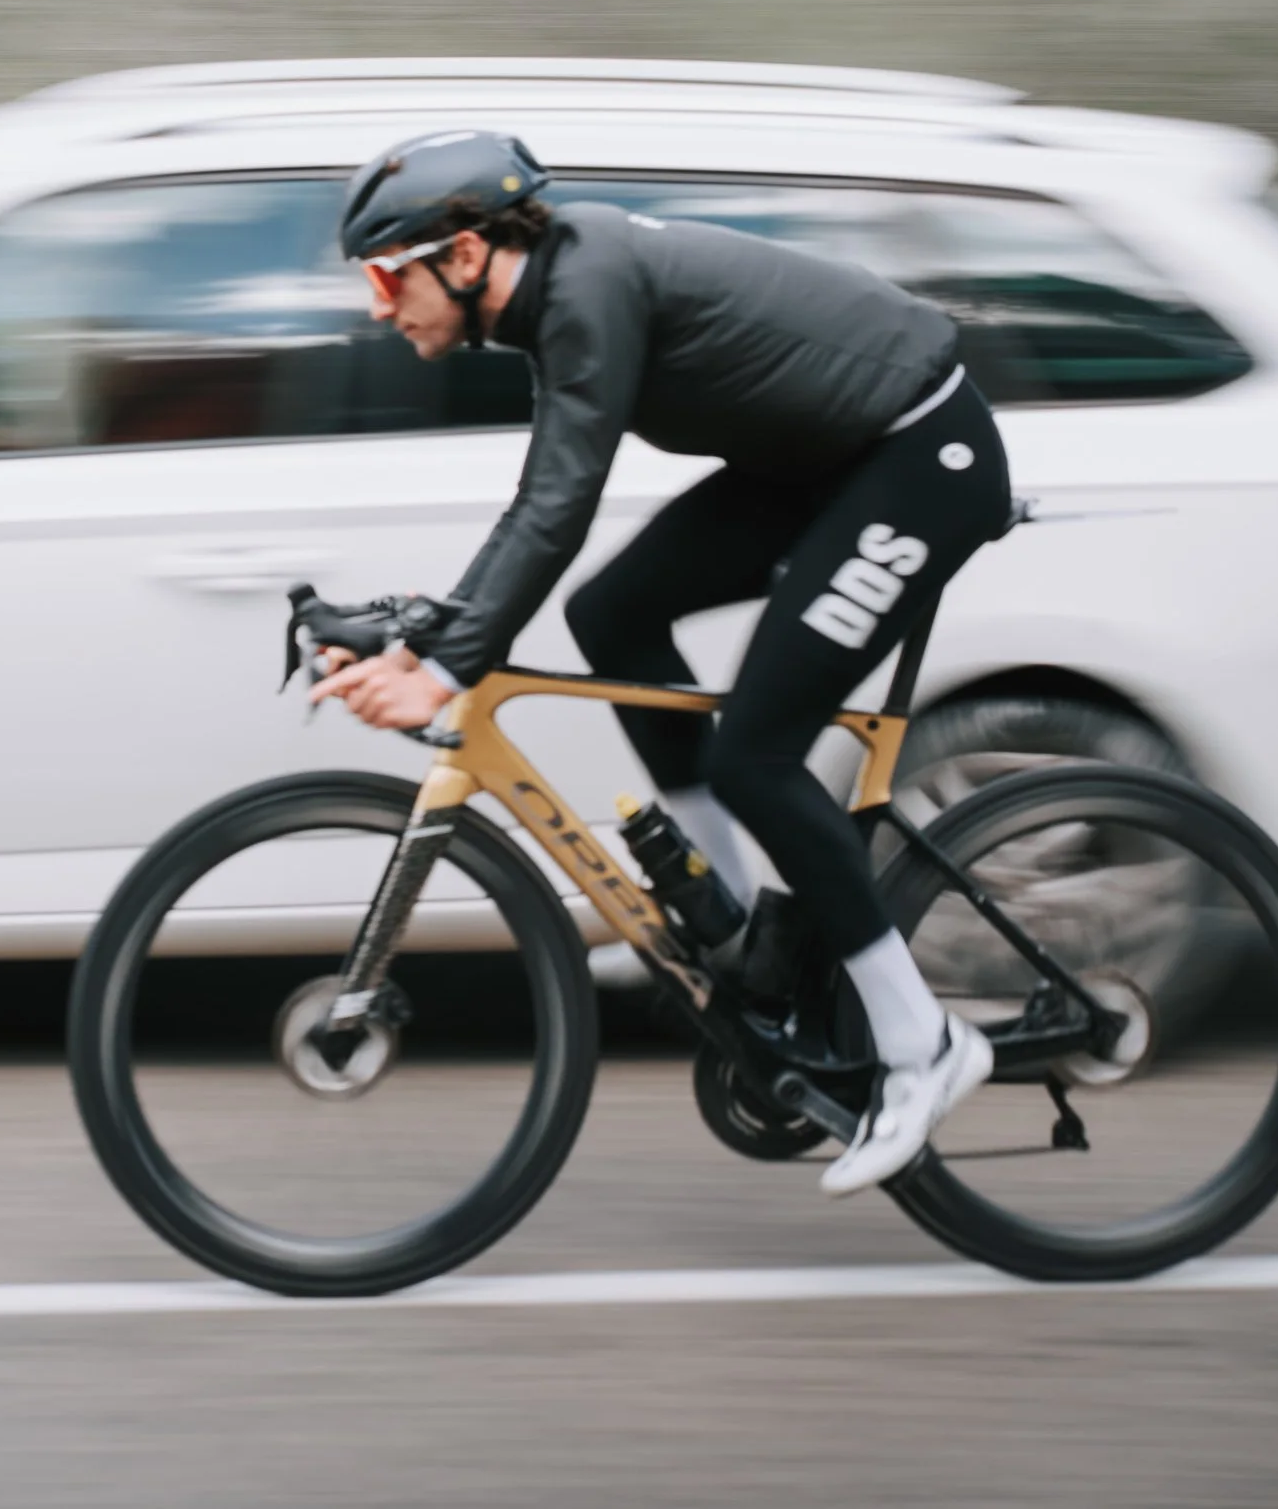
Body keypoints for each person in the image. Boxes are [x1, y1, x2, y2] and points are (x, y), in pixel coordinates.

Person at [309, 128, 1008, 1195]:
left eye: (381, 274)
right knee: (613, 610)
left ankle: (924, 1045)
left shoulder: (584, 285)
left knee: (757, 757)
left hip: (914, 459)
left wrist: (444, 668)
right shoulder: (551, 295)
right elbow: (540, 502)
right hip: (819, 462)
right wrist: (432, 634)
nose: (373, 305)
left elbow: (557, 499)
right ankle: (726, 916)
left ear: (459, 253)